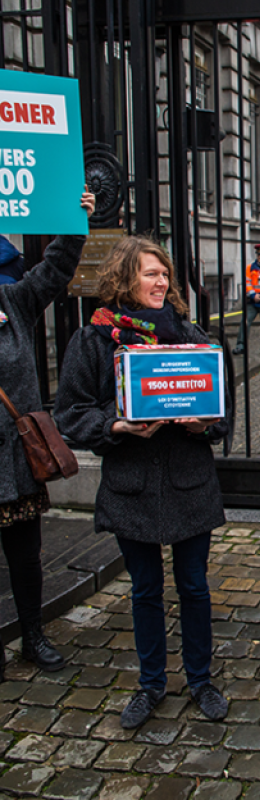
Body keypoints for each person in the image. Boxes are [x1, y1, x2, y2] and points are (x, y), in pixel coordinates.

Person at [54, 235, 230, 729]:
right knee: (145, 590)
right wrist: (116, 424)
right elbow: (70, 413)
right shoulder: (95, 339)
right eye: (150, 273)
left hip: (189, 483)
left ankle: (201, 680)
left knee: (193, 587)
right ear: (125, 277)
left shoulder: (191, 336)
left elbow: (222, 418)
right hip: (131, 485)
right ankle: (152, 682)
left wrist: (204, 425)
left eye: (164, 273)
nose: (162, 282)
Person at [0, 190, 95, 677]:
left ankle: (33, 636)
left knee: (25, 556)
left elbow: (55, 268)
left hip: (16, 459)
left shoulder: (12, 301)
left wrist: (74, 219)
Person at [233, 243, 260, 359]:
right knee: (245, 322)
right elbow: (247, 283)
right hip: (252, 302)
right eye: (258, 254)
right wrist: (253, 295)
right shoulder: (249, 268)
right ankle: (241, 345)